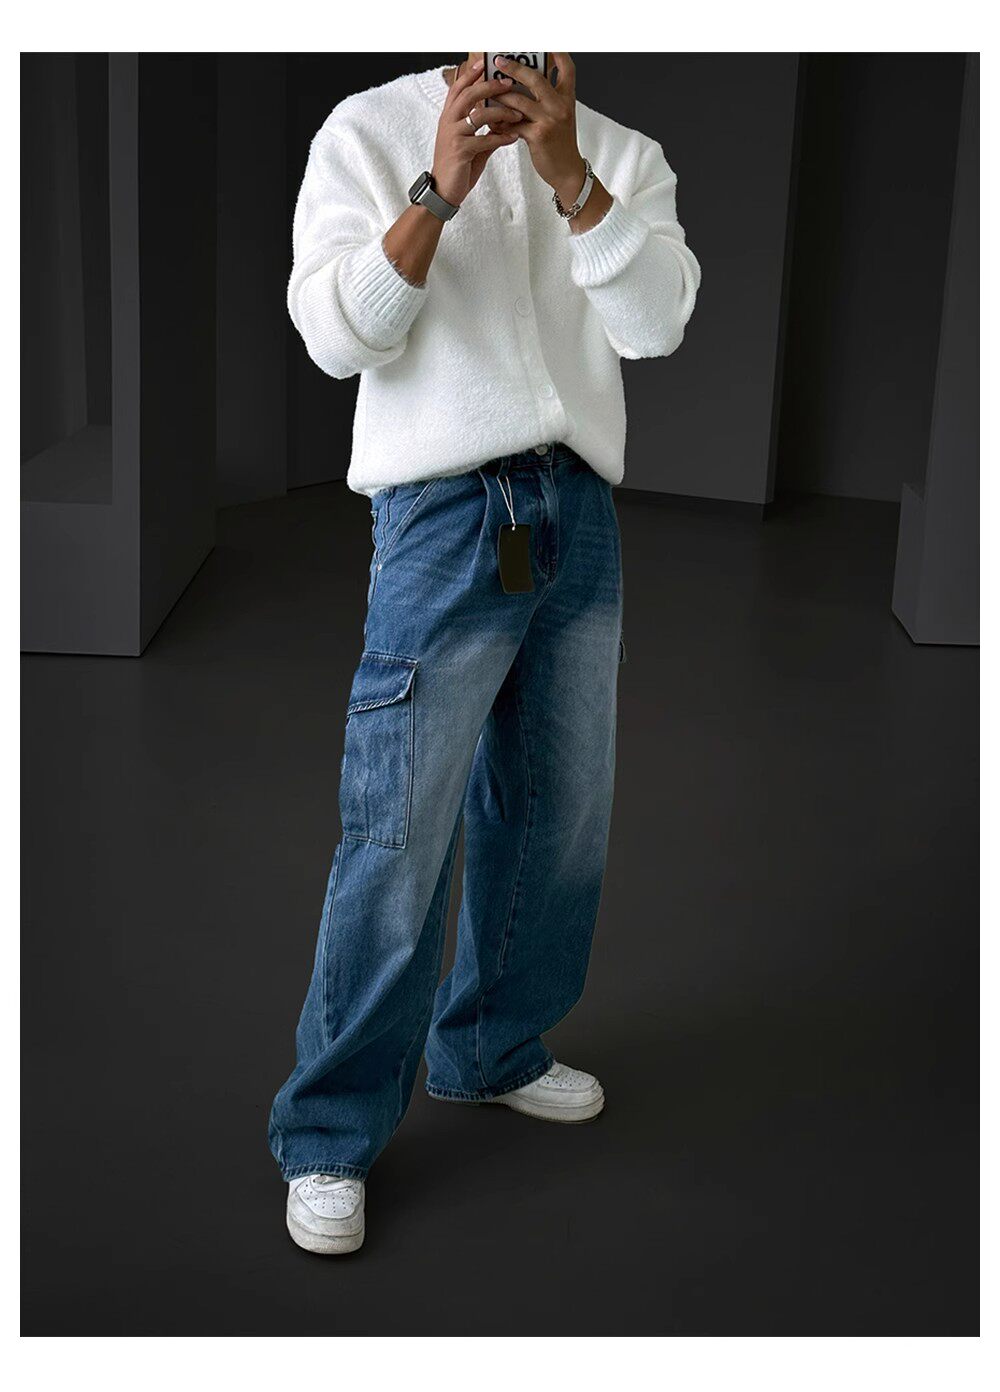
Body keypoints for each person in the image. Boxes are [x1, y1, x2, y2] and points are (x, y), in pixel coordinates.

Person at [269, 52, 701, 1254]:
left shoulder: (622, 151)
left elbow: (656, 323)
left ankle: (493, 1048)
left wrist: (569, 176)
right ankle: (329, 1133)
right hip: (443, 510)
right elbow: (335, 338)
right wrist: (441, 186)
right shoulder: (369, 129)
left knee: (560, 815)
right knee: (398, 829)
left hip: (578, 508)